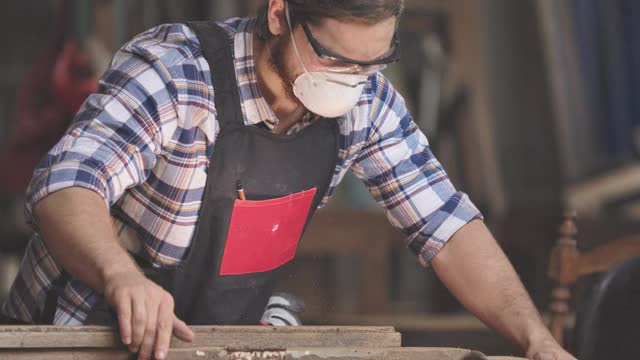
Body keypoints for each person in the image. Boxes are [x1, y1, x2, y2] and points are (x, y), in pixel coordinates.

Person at [0, 1, 575, 359]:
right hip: (77, 336)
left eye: (372, 63)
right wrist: (120, 276)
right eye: (334, 60)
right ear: (280, 13)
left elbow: (446, 225)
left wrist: (534, 338)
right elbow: (65, 185)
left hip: (213, 345)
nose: (353, 81)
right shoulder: (175, 76)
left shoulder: (365, 102)